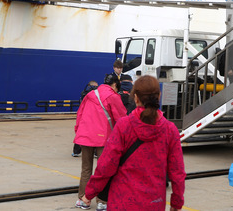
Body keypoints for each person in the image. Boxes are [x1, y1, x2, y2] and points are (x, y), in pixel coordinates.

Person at [81, 75, 186, 211]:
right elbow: (177, 172)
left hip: (122, 201)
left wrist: (89, 193)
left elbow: (106, 165)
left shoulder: (124, 126)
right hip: (154, 203)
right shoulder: (170, 130)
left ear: (135, 98)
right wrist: (176, 203)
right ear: (159, 96)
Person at [74, 75, 127, 210]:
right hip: (104, 138)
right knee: (103, 170)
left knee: (86, 168)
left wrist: (78, 131)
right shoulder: (113, 97)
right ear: (115, 85)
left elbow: (79, 114)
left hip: (85, 136)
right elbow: (122, 119)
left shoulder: (90, 95)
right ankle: (101, 201)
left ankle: (83, 200)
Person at [73, 80, 99, 157]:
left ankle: (76, 152)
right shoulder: (94, 95)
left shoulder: (84, 94)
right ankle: (95, 152)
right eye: (95, 86)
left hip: (84, 118)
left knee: (81, 134)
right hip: (92, 117)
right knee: (95, 134)